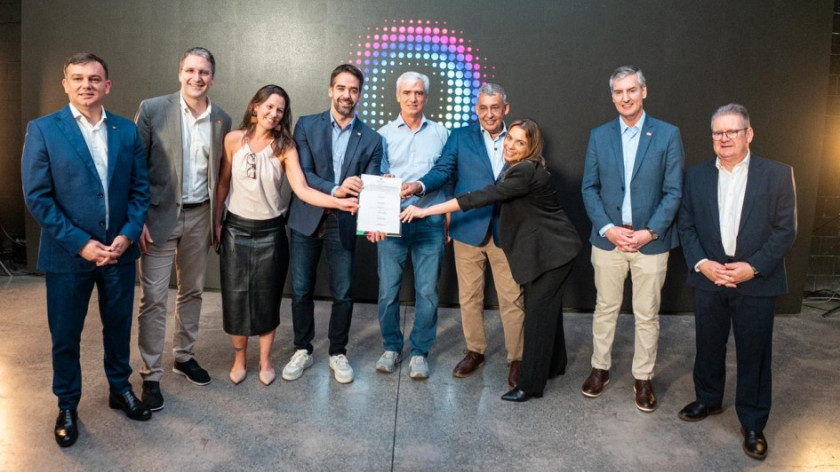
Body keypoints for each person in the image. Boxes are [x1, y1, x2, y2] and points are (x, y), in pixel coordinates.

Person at [21, 52, 152, 448]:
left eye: (94, 78)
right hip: (67, 255)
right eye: (77, 78)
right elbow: (38, 197)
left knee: (118, 327)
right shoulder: (43, 130)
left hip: (119, 252)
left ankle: (119, 388)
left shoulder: (126, 131)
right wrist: (82, 244)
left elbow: (140, 189)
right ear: (65, 84)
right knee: (65, 334)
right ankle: (67, 404)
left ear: (107, 86)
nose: (86, 85)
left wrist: (128, 234)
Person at [401, 119, 581, 402]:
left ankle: (530, 385)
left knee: (537, 316)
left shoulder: (523, 171)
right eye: (510, 139)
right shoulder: (522, 167)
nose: (510, 145)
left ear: (531, 147)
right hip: (551, 250)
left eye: (520, 142)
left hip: (554, 253)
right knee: (548, 311)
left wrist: (425, 211)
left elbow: (480, 197)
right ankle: (555, 365)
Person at [215, 85, 358, 386]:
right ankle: (240, 359)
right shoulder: (232, 140)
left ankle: (265, 360)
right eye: (268, 106)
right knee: (235, 297)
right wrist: (216, 223)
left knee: (268, 298)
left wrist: (338, 202)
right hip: (235, 229)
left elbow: (302, 190)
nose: (274, 113)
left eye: (280, 109)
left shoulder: (285, 146)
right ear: (255, 107)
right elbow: (223, 184)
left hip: (271, 231)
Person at [677, 104, 797, 461]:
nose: (724, 138)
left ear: (749, 134)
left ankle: (753, 422)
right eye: (718, 132)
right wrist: (703, 264)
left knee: (754, 352)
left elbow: (785, 230)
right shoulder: (695, 176)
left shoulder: (777, 174)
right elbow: (686, 225)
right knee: (708, 344)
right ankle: (708, 399)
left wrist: (753, 267)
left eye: (732, 131)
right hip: (710, 276)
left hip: (756, 280)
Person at [401, 84, 525, 388]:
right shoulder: (460, 137)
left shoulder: (519, 137)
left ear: (506, 108)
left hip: (507, 230)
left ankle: (518, 359)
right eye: (483, 108)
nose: (489, 114)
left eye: (495, 107)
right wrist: (419, 186)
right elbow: (443, 170)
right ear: (476, 109)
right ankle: (475, 351)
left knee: (512, 298)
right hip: (467, 227)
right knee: (469, 296)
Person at [580, 65, 684, 412]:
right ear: (612, 97)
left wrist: (649, 231)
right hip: (608, 239)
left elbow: (673, 191)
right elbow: (589, 188)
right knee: (605, 308)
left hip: (650, 242)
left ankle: (643, 378)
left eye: (631, 90)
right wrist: (608, 228)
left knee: (647, 313)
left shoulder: (667, 135)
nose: (625, 98)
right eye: (618, 92)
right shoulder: (599, 135)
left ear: (643, 91)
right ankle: (600, 369)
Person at [134, 47, 232, 411]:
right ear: (180, 74)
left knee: (192, 291)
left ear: (212, 78)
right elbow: (134, 166)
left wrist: (216, 219)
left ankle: (183, 356)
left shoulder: (221, 119)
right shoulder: (152, 109)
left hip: (200, 216)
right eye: (190, 70)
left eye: (203, 72)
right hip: (157, 217)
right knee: (154, 299)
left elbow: (219, 176)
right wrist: (137, 218)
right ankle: (151, 374)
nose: (196, 77)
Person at [282, 64, 383, 384]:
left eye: (353, 90)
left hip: (345, 222)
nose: (346, 95)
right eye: (341, 88)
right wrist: (335, 190)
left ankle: (338, 352)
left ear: (360, 95)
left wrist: (376, 190)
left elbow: (372, 184)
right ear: (330, 90)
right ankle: (302, 349)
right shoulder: (306, 125)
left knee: (343, 292)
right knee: (301, 290)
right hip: (306, 218)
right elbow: (304, 174)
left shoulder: (372, 139)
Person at [367, 72, 448, 379]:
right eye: (407, 92)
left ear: (426, 97)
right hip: (392, 222)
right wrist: (376, 218)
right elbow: (375, 179)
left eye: (419, 93)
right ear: (397, 96)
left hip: (429, 220)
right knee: (388, 291)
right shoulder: (382, 135)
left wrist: (448, 218)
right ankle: (391, 347)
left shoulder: (441, 133)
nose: (413, 98)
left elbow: (447, 175)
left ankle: (419, 352)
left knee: (427, 292)